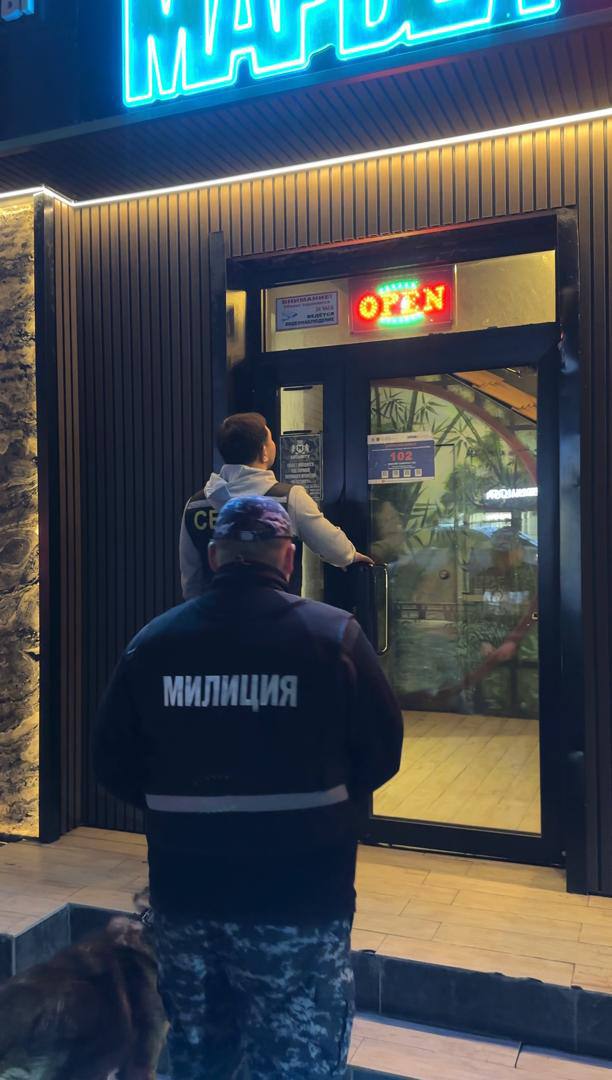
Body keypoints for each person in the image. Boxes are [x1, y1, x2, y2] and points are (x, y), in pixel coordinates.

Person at [94, 495, 403, 1080]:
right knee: (298, 1063)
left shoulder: (153, 643)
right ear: (287, 558)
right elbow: (383, 752)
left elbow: (112, 762)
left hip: (187, 899)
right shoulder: (334, 636)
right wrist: (327, 810)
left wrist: (184, 814)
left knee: (198, 1059)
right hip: (300, 900)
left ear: (214, 558)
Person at [180, 411, 372, 597]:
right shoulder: (288, 499)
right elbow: (332, 547)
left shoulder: (196, 505)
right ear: (264, 452)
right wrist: (351, 555)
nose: (274, 445)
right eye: (270, 439)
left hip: (215, 614)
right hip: (277, 613)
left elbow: (191, 577)